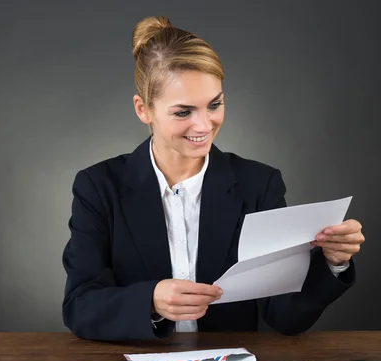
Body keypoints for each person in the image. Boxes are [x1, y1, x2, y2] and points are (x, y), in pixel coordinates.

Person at [61, 16, 365, 341]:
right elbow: (80, 305)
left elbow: (285, 315)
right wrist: (149, 301)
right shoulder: (98, 187)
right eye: (183, 112)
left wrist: (334, 262)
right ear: (143, 109)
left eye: (214, 105)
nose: (204, 125)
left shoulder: (258, 185)